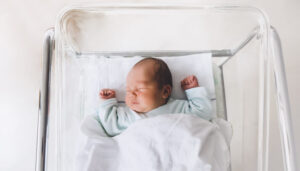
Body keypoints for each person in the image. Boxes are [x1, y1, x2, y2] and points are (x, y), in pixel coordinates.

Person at [97, 57, 213, 136]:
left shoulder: (178, 109)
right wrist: (107, 103)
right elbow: (110, 126)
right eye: (128, 90)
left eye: (140, 89)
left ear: (165, 92)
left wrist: (193, 90)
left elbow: (203, 114)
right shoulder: (127, 115)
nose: (131, 94)